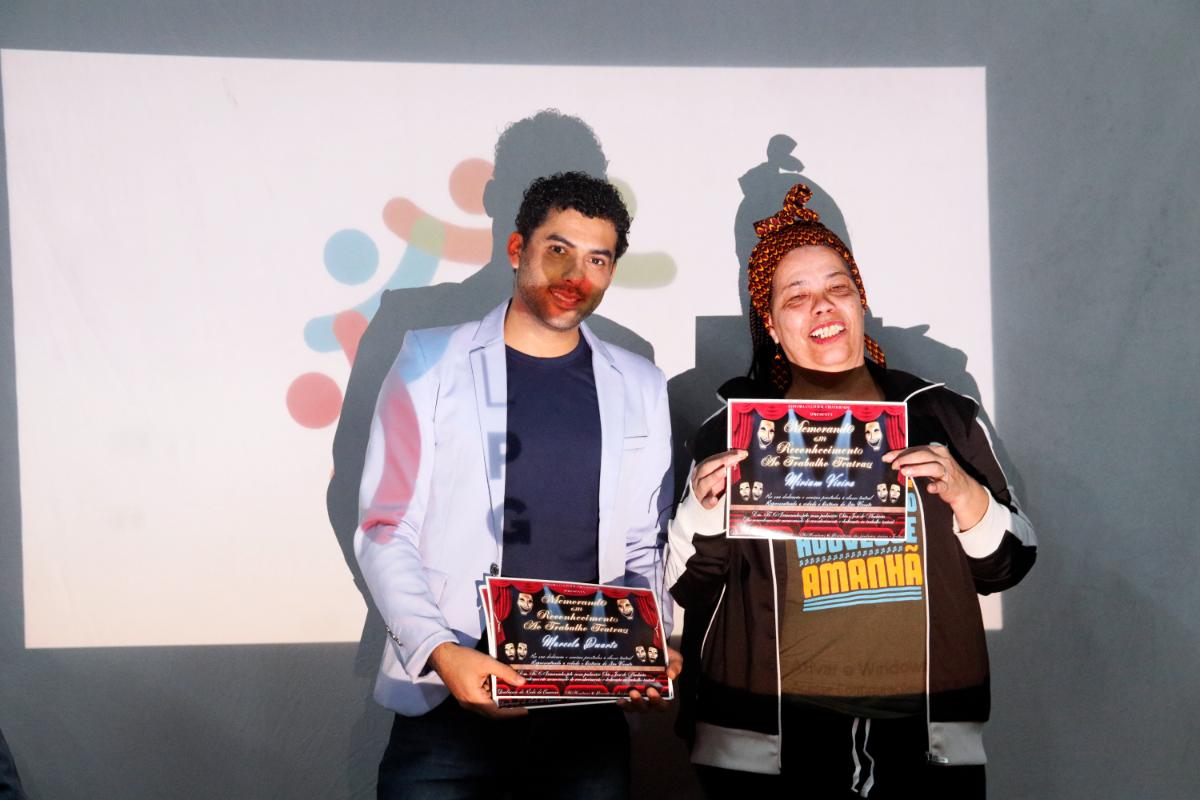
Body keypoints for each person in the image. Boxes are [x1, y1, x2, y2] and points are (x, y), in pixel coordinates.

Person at [665, 184, 1036, 798]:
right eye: (796, 296)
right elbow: (685, 584)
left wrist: (966, 494)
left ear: (860, 301)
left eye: (837, 288)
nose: (822, 307)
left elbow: (1011, 563)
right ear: (771, 325)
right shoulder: (729, 431)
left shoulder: (943, 415)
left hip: (927, 739)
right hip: (767, 744)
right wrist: (703, 511)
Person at [356, 171, 679, 799]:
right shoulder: (429, 360)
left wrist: (650, 641)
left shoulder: (640, 381)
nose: (576, 276)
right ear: (516, 249)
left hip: (587, 710)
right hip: (451, 697)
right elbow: (384, 527)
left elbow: (644, 542)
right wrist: (441, 652)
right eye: (558, 249)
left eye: (597, 259)